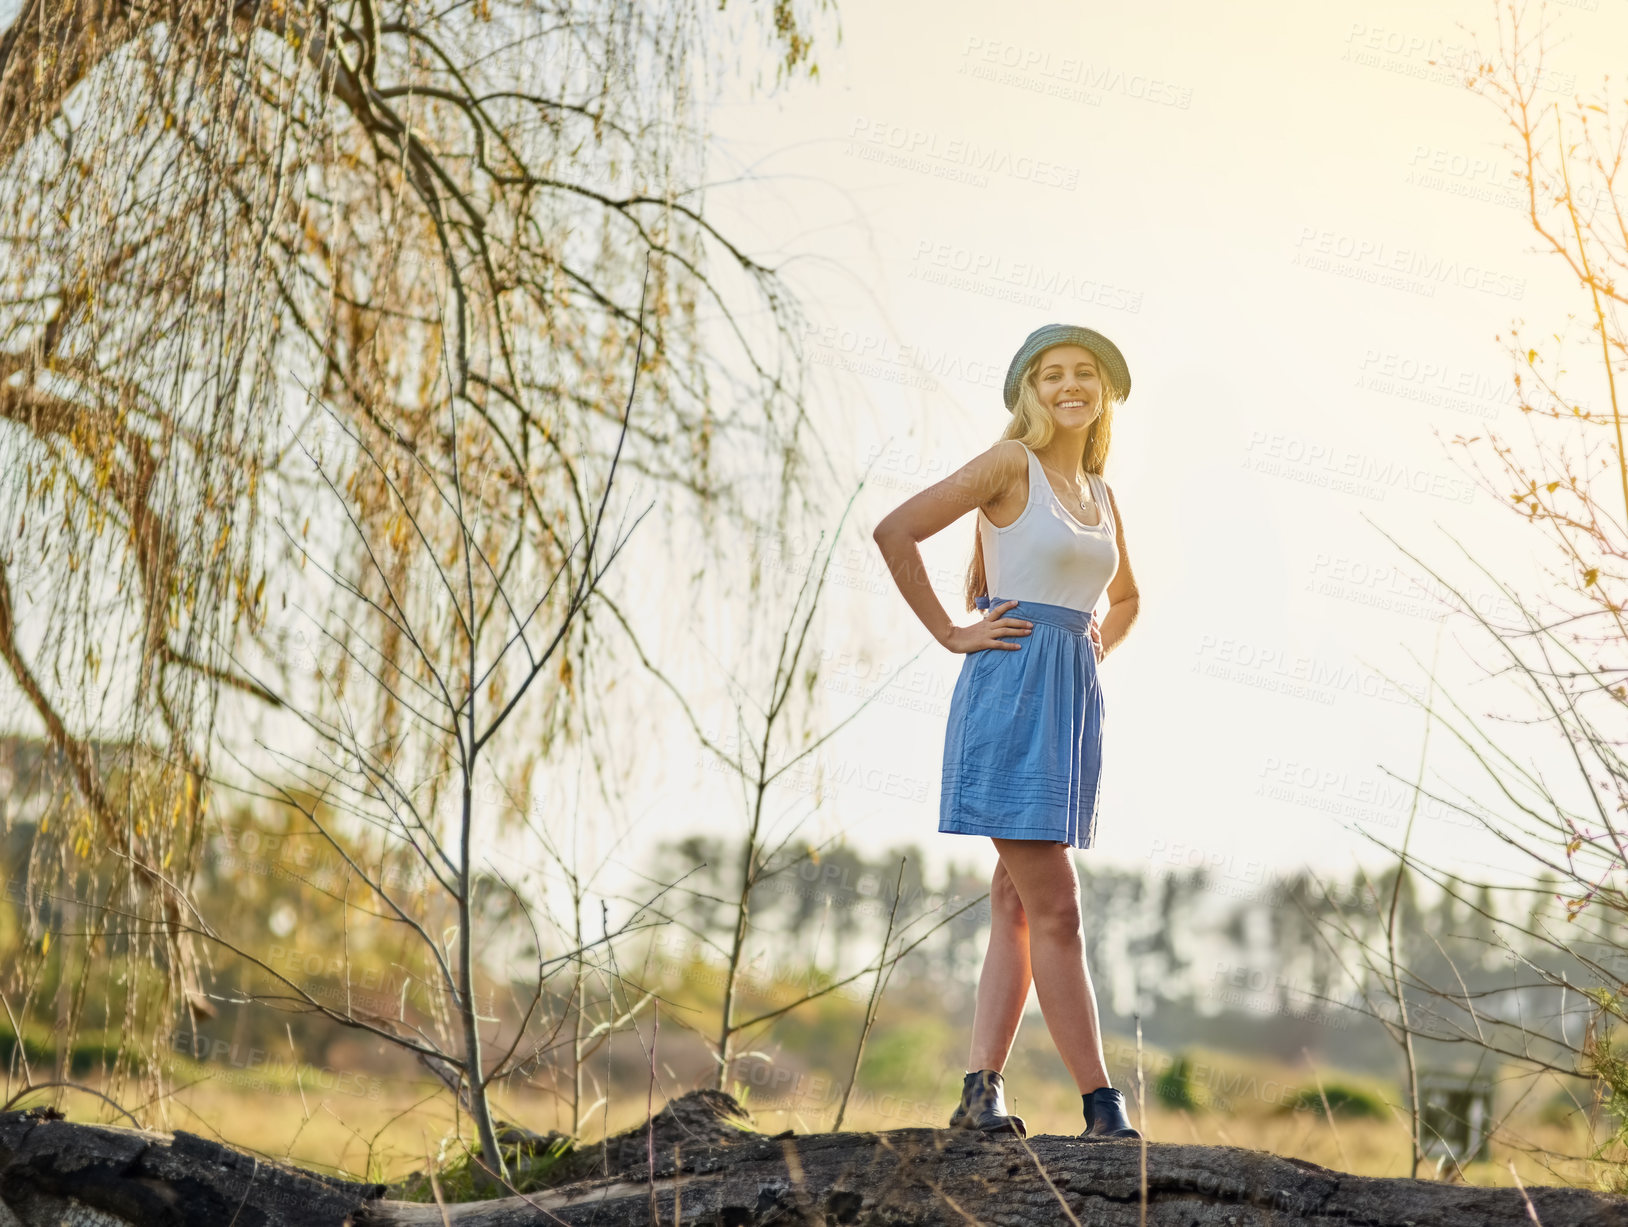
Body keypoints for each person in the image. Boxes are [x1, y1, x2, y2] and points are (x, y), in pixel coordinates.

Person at [870, 323, 1142, 1142]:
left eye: (1085, 374)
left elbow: (1126, 598)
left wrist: (1099, 637)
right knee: (1056, 904)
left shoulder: (1101, 493)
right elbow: (895, 530)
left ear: (1102, 394)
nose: (1070, 385)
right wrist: (952, 633)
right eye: (1052, 373)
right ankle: (1103, 1106)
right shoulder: (1007, 465)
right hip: (1009, 694)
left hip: (1068, 707)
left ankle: (978, 1092)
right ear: (1028, 388)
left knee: (1016, 904)